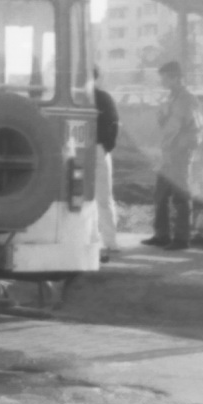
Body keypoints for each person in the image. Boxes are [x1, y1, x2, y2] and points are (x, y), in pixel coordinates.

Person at [142, 61, 202, 251]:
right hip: (170, 151)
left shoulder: (185, 99)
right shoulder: (173, 98)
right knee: (160, 194)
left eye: (165, 77)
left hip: (179, 151)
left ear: (176, 77)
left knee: (180, 195)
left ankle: (181, 238)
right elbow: (167, 124)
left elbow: (175, 127)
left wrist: (166, 147)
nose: (162, 81)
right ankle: (162, 235)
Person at [93, 66, 121, 261]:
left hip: (94, 149)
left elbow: (114, 123)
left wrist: (106, 146)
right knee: (103, 198)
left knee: (102, 198)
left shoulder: (102, 98)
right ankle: (107, 241)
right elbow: (115, 123)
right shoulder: (102, 98)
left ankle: (109, 241)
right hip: (95, 149)